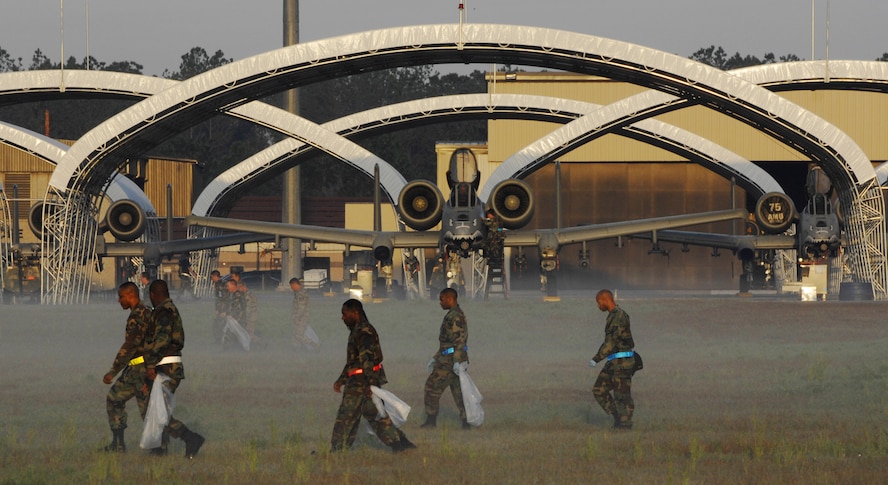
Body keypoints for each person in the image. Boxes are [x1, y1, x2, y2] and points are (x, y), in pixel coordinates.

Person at [331, 299, 415, 452]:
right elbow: (353, 361)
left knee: (346, 417)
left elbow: (367, 360)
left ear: (355, 313)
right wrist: (341, 379)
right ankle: (400, 443)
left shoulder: (364, 332)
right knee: (376, 416)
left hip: (361, 383)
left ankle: (337, 450)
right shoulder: (358, 331)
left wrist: (370, 384)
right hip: (360, 380)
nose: (342, 318)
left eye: (345, 314)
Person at [145, 279, 206, 458]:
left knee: (159, 411)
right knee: (159, 407)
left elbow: (162, 340)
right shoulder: (169, 310)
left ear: (154, 295)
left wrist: (151, 364)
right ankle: (160, 447)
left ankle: (190, 438)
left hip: (166, 366)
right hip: (168, 364)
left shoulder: (163, 313)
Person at [101, 282, 153, 452]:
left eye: (121, 297)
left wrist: (113, 371)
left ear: (131, 295)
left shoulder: (138, 315)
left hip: (140, 370)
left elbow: (130, 346)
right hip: (140, 368)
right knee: (115, 399)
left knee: (148, 410)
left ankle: (159, 447)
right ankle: (118, 444)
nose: (119, 301)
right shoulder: (146, 312)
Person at [421, 287, 470, 429]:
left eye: (441, 300)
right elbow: (446, 342)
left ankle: (431, 420)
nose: (440, 303)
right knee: (459, 392)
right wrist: (435, 357)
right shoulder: (453, 315)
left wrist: (455, 361)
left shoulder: (455, 317)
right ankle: (466, 422)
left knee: (431, 388)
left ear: (449, 299)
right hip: (449, 358)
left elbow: (459, 341)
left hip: (449, 361)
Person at [589, 289, 636, 430]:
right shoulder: (612, 316)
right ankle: (618, 418)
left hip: (622, 363)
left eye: (599, 303)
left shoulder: (618, 317)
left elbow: (611, 342)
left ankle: (625, 425)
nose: (598, 306)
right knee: (599, 389)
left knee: (621, 395)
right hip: (613, 362)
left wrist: (596, 359)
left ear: (605, 300)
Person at [289, 277, 317, 350]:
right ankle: (297, 350)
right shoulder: (298, 292)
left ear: (295, 284)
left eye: (292, 286)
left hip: (302, 318)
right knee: (296, 335)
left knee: (298, 335)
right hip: (299, 317)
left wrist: (298, 318)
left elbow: (301, 308)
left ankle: (314, 345)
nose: (291, 288)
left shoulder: (301, 293)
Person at [238, 280, 261, 346]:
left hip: (251, 316)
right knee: (248, 332)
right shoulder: (244, 294)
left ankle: (259, 344)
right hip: (249, 316)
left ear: (242, 287)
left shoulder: (249, 295)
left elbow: (248, 308)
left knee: (249, 333)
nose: (239, 290)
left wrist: (245, 317)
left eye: (239, 288)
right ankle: (256, 344)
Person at [210, 270, 227, 343]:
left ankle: (220, 339)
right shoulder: (218, 284)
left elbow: (223, 298)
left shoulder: (220, 285)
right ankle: (219, 339)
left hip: (222, 309)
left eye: (212, 277)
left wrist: (222, 310)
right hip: (220, 308)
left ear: (215, 276)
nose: (212, 279)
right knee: (217, 324)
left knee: (219, 325)